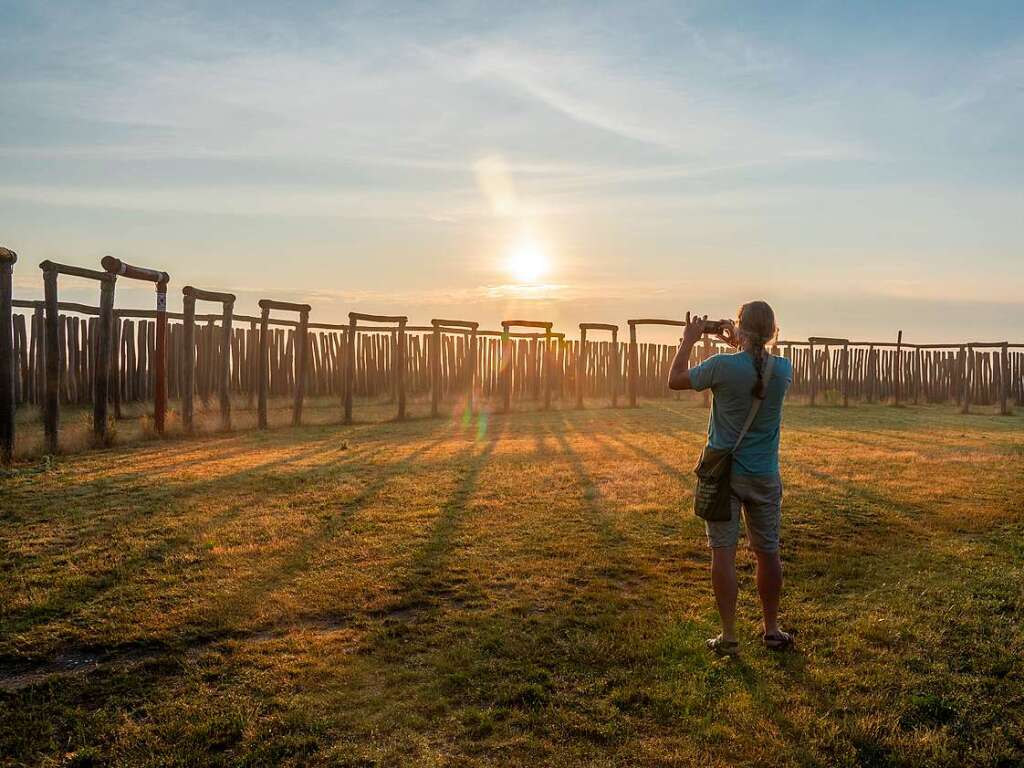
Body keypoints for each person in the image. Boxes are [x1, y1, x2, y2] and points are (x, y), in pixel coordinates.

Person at [667, 301, 794, 655]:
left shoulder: (721, 366)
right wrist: (739, 341)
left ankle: (729, 636)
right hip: (764, 474)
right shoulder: (783, 370)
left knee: (722, 553)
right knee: (767, 553)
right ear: (772, 332)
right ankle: (771, 630)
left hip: (724, 475)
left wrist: (690, 340)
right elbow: (752, 367)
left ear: (740, 328)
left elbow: (675, 379)